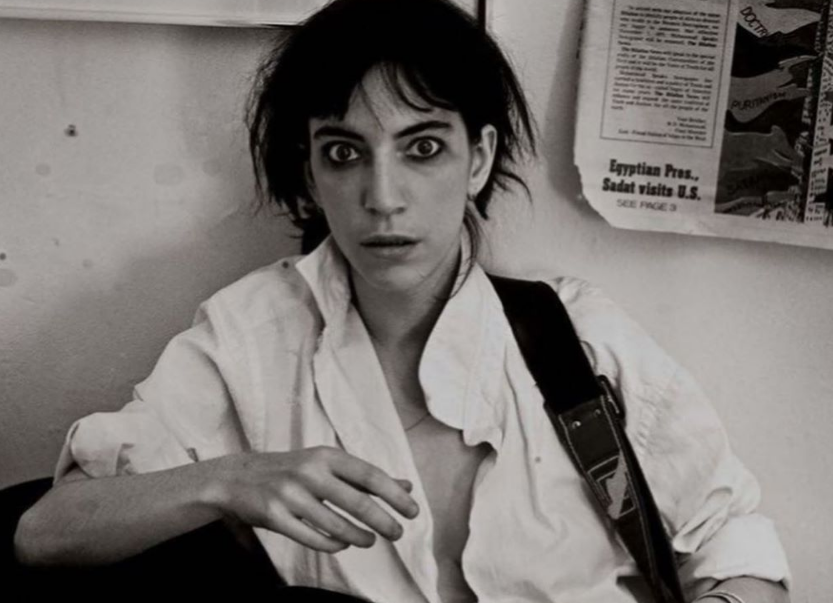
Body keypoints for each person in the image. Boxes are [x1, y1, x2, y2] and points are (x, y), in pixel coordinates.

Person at [15, 0, 791, 601]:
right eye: (343, 152)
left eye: (422, 148)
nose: (382, 197)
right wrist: (230, 480)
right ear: (310, 171)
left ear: (477, 159)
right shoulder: (249, 335)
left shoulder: (574, 336)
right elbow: (44, 532)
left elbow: (735, 547)